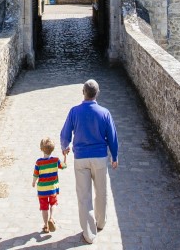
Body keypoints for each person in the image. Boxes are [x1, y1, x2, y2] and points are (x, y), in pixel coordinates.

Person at [59, 79, 118, 244]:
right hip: (99, 157)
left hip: (81, 158)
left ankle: (89, 233)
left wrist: (65, 147)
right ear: (97, 94)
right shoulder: (104, 113)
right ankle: (100, 222)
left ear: (83, 92)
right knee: (101, 191)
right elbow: (112, 137)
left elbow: (65, 133)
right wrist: (115, 156)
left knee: (84, 196)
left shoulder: (74, 111)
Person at [32, 136, 65, 233]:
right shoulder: (56, 160)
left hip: (42, 190)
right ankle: (51, 217)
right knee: (53, 203)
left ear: (41, 149)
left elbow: (35, 174)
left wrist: (34, 182)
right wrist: (65, 158)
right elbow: (63, 166)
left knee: (44, 207)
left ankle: (46, 225)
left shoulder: (39, 162)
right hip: (52, 189)